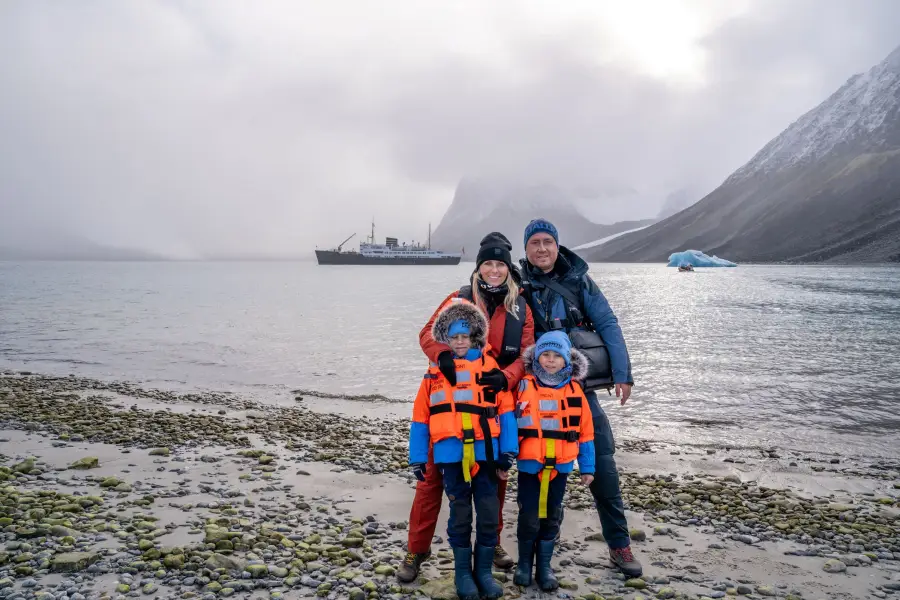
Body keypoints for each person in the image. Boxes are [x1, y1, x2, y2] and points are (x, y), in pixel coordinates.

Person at [398, 232, 535, 582]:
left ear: (508, 268)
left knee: (496, 479)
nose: (493, 270)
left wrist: (506, 377)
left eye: (499, 263)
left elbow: (527, 353)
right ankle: (417, 548)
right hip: (450, 405)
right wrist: (442, 355)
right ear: (478, 268)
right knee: (430, 479)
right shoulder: (457, 299)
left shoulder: (522, 308)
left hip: (493, 400)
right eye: (487, 263)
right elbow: (427, 333)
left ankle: (493, 544)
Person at [518, 218, 642, 577]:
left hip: (577, 391)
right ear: (526, 249)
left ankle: (619, 546)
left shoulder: (580, 281)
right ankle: (539, 552)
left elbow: (607, 323)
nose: (542, 248)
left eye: (548, 242)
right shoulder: (518, 285)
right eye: (534, 243)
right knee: (537, 473)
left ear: (557, 246)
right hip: (534, 394)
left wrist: (623, 372)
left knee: (602, 463)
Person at [408, 298, 517, 600]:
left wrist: (508, 451)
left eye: (464, 336)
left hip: (486, 455)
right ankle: (462, 574)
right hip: (451, 457)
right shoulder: (433, 374)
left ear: (475, 338)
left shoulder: (490, 368)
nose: (459, 342)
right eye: (453, 337)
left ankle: (483, 572)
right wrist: (417, 457)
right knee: (459, 516)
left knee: (487, 512)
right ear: (445, 339)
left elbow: (506, 412)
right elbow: (420, 418)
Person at [513, 331, 595, 591]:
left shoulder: (576, 392)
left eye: (556, 356)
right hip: (529, 464)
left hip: (561, 466)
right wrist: (503, 461)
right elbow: (506, 424)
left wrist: (588, 467)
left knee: (551, 516)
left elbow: (586, 432)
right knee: (528, 516)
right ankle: (524, 564)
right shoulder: (523, 386)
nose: (550, 360)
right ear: (537, 357)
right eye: (545, 355)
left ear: (567, 360)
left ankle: (544, 566)